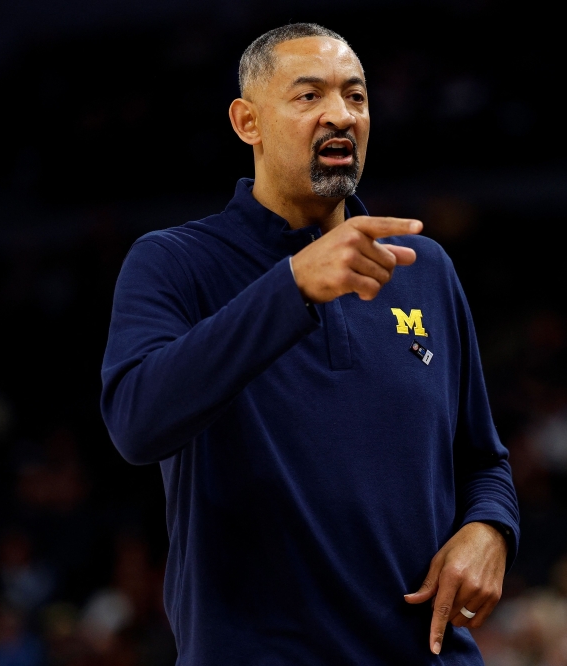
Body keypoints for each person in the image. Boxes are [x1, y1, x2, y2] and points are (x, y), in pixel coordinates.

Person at [100, 23, 519, 664]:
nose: (340, 115)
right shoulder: (172, 263)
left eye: (356, 96)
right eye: (308, 97)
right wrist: (290, 287)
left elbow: (484, 460)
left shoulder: (422, 267)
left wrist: (490, 529)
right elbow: (136, 423)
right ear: (248, 123)